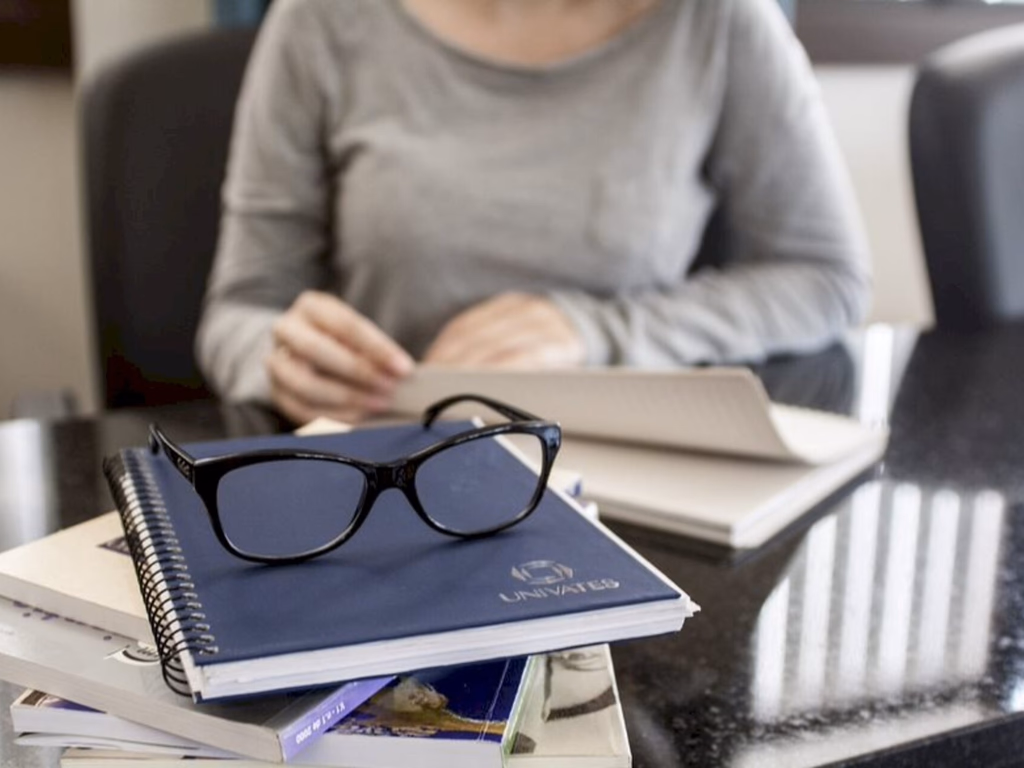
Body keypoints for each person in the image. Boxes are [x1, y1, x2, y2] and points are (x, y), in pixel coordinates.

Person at [196, 0, 872, 426]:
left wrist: (593, 331)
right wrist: (282, 363)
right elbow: (239, 315)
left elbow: (824, 278)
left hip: (630, 482)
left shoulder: (721, 22)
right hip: (383, 469)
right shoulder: (318, 21)